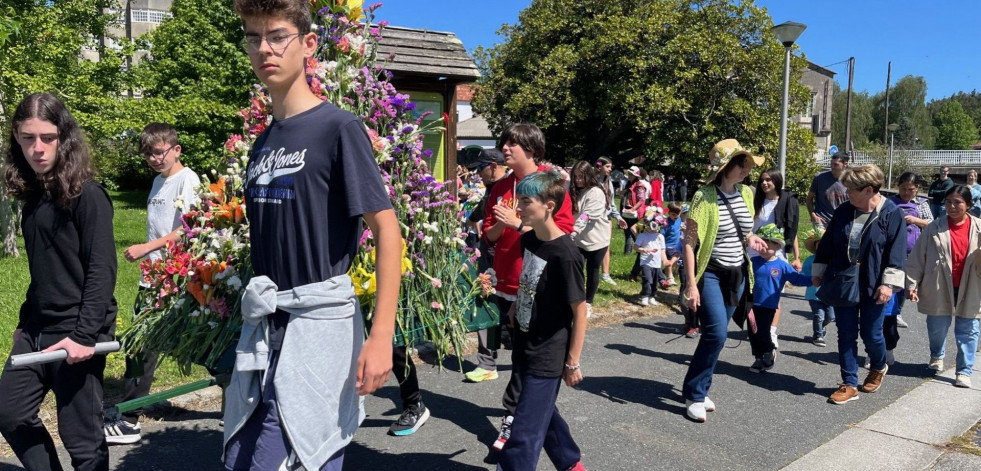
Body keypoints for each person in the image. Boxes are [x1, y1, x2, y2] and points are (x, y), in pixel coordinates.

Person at [224, 1, 402, 469]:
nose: (264, 48)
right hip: (266, 329)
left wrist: (381, 334)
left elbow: (387, 231)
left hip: (317, 325)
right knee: (247, 453)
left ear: (308, 44)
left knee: (296, 453)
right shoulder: (263, 141)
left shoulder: (338, 128)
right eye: (253, 37)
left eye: (277, 36)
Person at [0, 92, 118, 470]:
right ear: (16, 138)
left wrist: (85, 335)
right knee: (10, 412)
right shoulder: (34, 198)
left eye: (47, 138)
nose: (37, 148)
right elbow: (44, 272)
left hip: (76, 332)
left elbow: (103, 270)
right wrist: (23, 324)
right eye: (27, 137)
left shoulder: (88, 196)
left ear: (63, 137)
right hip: (37, 329)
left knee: (81, 441)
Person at [102, 123, 202, 445]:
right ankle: (142, 401)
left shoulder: (188, 180)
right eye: (149, 153)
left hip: (175, 275)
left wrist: (147, 248)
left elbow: (190, 229)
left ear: (176, 149)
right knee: (148, 343)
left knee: (140, 342)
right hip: (155, 274)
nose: (155, 158)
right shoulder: (159, 181)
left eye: (160, 151)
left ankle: (129, 420)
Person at [481, 123, 574, 451]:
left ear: (531, 149)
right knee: (519, 356)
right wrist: (497, 227)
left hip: (535, 286)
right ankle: (562, 450)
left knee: (527, 361)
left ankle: (514, 420)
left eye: (513, 143)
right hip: (505, 283)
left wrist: (517, 224)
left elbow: (560, 232)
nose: (505, 148)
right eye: (504, 142)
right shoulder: (501, 185)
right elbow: (489, 235)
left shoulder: (552, 185)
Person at [497, 170, 587, 471]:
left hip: (548, 353)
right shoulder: (530, 240)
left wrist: (573, 361)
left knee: (523, 432)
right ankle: (570, 462)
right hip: (524, 342)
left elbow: (580, 311)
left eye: (525, 200)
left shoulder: (567, 254)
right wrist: (514, 310)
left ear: (549, 205)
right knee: (540, 414)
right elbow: (529, 282)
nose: (517, 207)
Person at [681, 139, 767, 422]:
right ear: (726, 166)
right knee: (716, 333)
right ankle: (694, 393)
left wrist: (752, 238)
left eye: (748, 164)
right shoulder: (703, 197)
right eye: (742, 163)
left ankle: (699, 386)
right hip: (712, 274)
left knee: (716, 337)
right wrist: (691, 284)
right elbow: (689, 244)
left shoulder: (745, 192)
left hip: (738, 273)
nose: (747, 169)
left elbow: (744, 230)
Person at [812, 165, 906, 405]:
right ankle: (850, 383)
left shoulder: (891, 213)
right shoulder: (844, 211)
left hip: (875, 283)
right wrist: (819, 270)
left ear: (869, 190)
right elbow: (828, 243)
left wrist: (888, 285)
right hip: (844, 279)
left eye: (852, 189)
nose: (847, 193)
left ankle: (878, 365)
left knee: (871, 333)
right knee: (845, 333)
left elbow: (897, 252)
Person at [906, 185, 981, 389]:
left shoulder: (979, 227)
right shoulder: (934, 227)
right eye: (948, 202)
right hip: (938, 284)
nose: (952, 206)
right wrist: (911, 283)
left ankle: (964, 371)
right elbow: (917, 257)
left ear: (968, 205)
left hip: (972, 286)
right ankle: (937, 355)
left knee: (969, 329)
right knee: (937, 327)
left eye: (958, 202)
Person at [464, 148, 509, 384]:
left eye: (481, 169)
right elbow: (483, 208)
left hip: (510, 259)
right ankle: (487, 363)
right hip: (490, 255)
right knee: (486, 302)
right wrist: (471, 219)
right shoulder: (494, 188)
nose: (478, 175)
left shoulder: (513, 186)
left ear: (493, 165)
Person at [748, 224, 812, 373]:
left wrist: (812, 280)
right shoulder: (753, 262)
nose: (762, 247)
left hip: (769, 305)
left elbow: (796, 279)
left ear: (777, 245)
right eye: (760, 243)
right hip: (751, 304)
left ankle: (769, 351)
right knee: (752, 332)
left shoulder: (782, 266)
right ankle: (758, 358)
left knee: (762, 331)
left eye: (767, 244)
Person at [751, 169, 801, 349]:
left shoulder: (785, 203)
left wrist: (796, 257)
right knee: (754, 290)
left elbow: (792, 232)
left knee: (773, 293)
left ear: (777, 182)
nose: (765, 183)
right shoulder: (755, 201)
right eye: (762, 180)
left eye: (769, 180)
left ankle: (771, 330)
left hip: (776, 253)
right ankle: (756, 325)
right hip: (753, 252)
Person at [888, 171, 933, 330]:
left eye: (910, 189)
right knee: (892, 280)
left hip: (914, 251)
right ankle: (889, 312)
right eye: (903, 188)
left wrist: (916, 220)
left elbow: (931, 224)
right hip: (894, 249)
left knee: (907, 284)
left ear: (917, 188)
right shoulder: (891, 202)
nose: (906, 192)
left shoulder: (922, 204)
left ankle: (897, 312)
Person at [570, 160, 611, 318]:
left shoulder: (596, 192)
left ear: (589, 175)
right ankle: (577, 300)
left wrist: (573, 231)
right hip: (578, 239)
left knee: (593, 270)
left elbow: (587, 215)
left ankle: (588, 302)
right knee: (577, 270)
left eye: (581, 176)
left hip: (596, 239)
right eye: (576, 177)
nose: (579, 180)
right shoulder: (574, 191)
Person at [595, 157, 627, 286]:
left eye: (610, 167)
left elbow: (611, 203)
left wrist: (618, 217)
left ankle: (605, 274)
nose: (610, 169)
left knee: (606, 245)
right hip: (591, 218)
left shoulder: (608, 182)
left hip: (606, 218)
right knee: (585, 247)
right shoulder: (590, 181)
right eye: (607, 166)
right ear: (599, 166)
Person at [802, 230, 835, 346]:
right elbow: (804, 275)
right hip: (814, 294)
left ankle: (820, 328)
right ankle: (818, 336)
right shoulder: (810, 260)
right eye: (819, 244)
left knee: (831, 316)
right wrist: (812, 278)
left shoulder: (833, 261)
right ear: (815, 246)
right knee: (819, 315)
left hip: (829, 294)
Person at [807, 152, 850, 231]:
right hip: (821, 221)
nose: (832, 167)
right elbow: (809, 198)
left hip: (841, 221)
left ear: (845, 164)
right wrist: (813, 216)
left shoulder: (849, 181)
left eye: (836, 164)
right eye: (831, 164)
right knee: (821, 243)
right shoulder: (819, 178)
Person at [634, 217, 667, 307]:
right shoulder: (643, 235)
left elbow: (663, 250)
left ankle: (652, 296)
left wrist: (665, 260)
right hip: (645, 262)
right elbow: (636, 247)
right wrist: (644, 249)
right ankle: (645, 296)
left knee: (655, 281)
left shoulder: (660, 237)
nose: (654, 228)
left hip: (657, 263)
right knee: (647, 279)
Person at [620, 166, 647, 255]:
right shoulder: (629, 184)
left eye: (631, 174)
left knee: (634, 232)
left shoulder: (639, 186)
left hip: (634, 212)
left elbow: (641, 200)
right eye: (629, 174)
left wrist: (632, 209)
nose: (629, 175)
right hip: (626, 209)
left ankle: (641, 250)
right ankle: (627, 252)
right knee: (627, 231)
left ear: (636, 176)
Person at [660, 203, 684, 287]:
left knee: (675, 262)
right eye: (673, 214)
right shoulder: (666, 222)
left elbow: (680, 228)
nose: (676, 216)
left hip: (677, 245)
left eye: (678, 214)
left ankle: (663, 272)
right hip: (668, 246)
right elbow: (662, 235)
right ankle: (670, 278)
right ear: (668, 213)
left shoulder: (679, 219)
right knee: (670, 262)